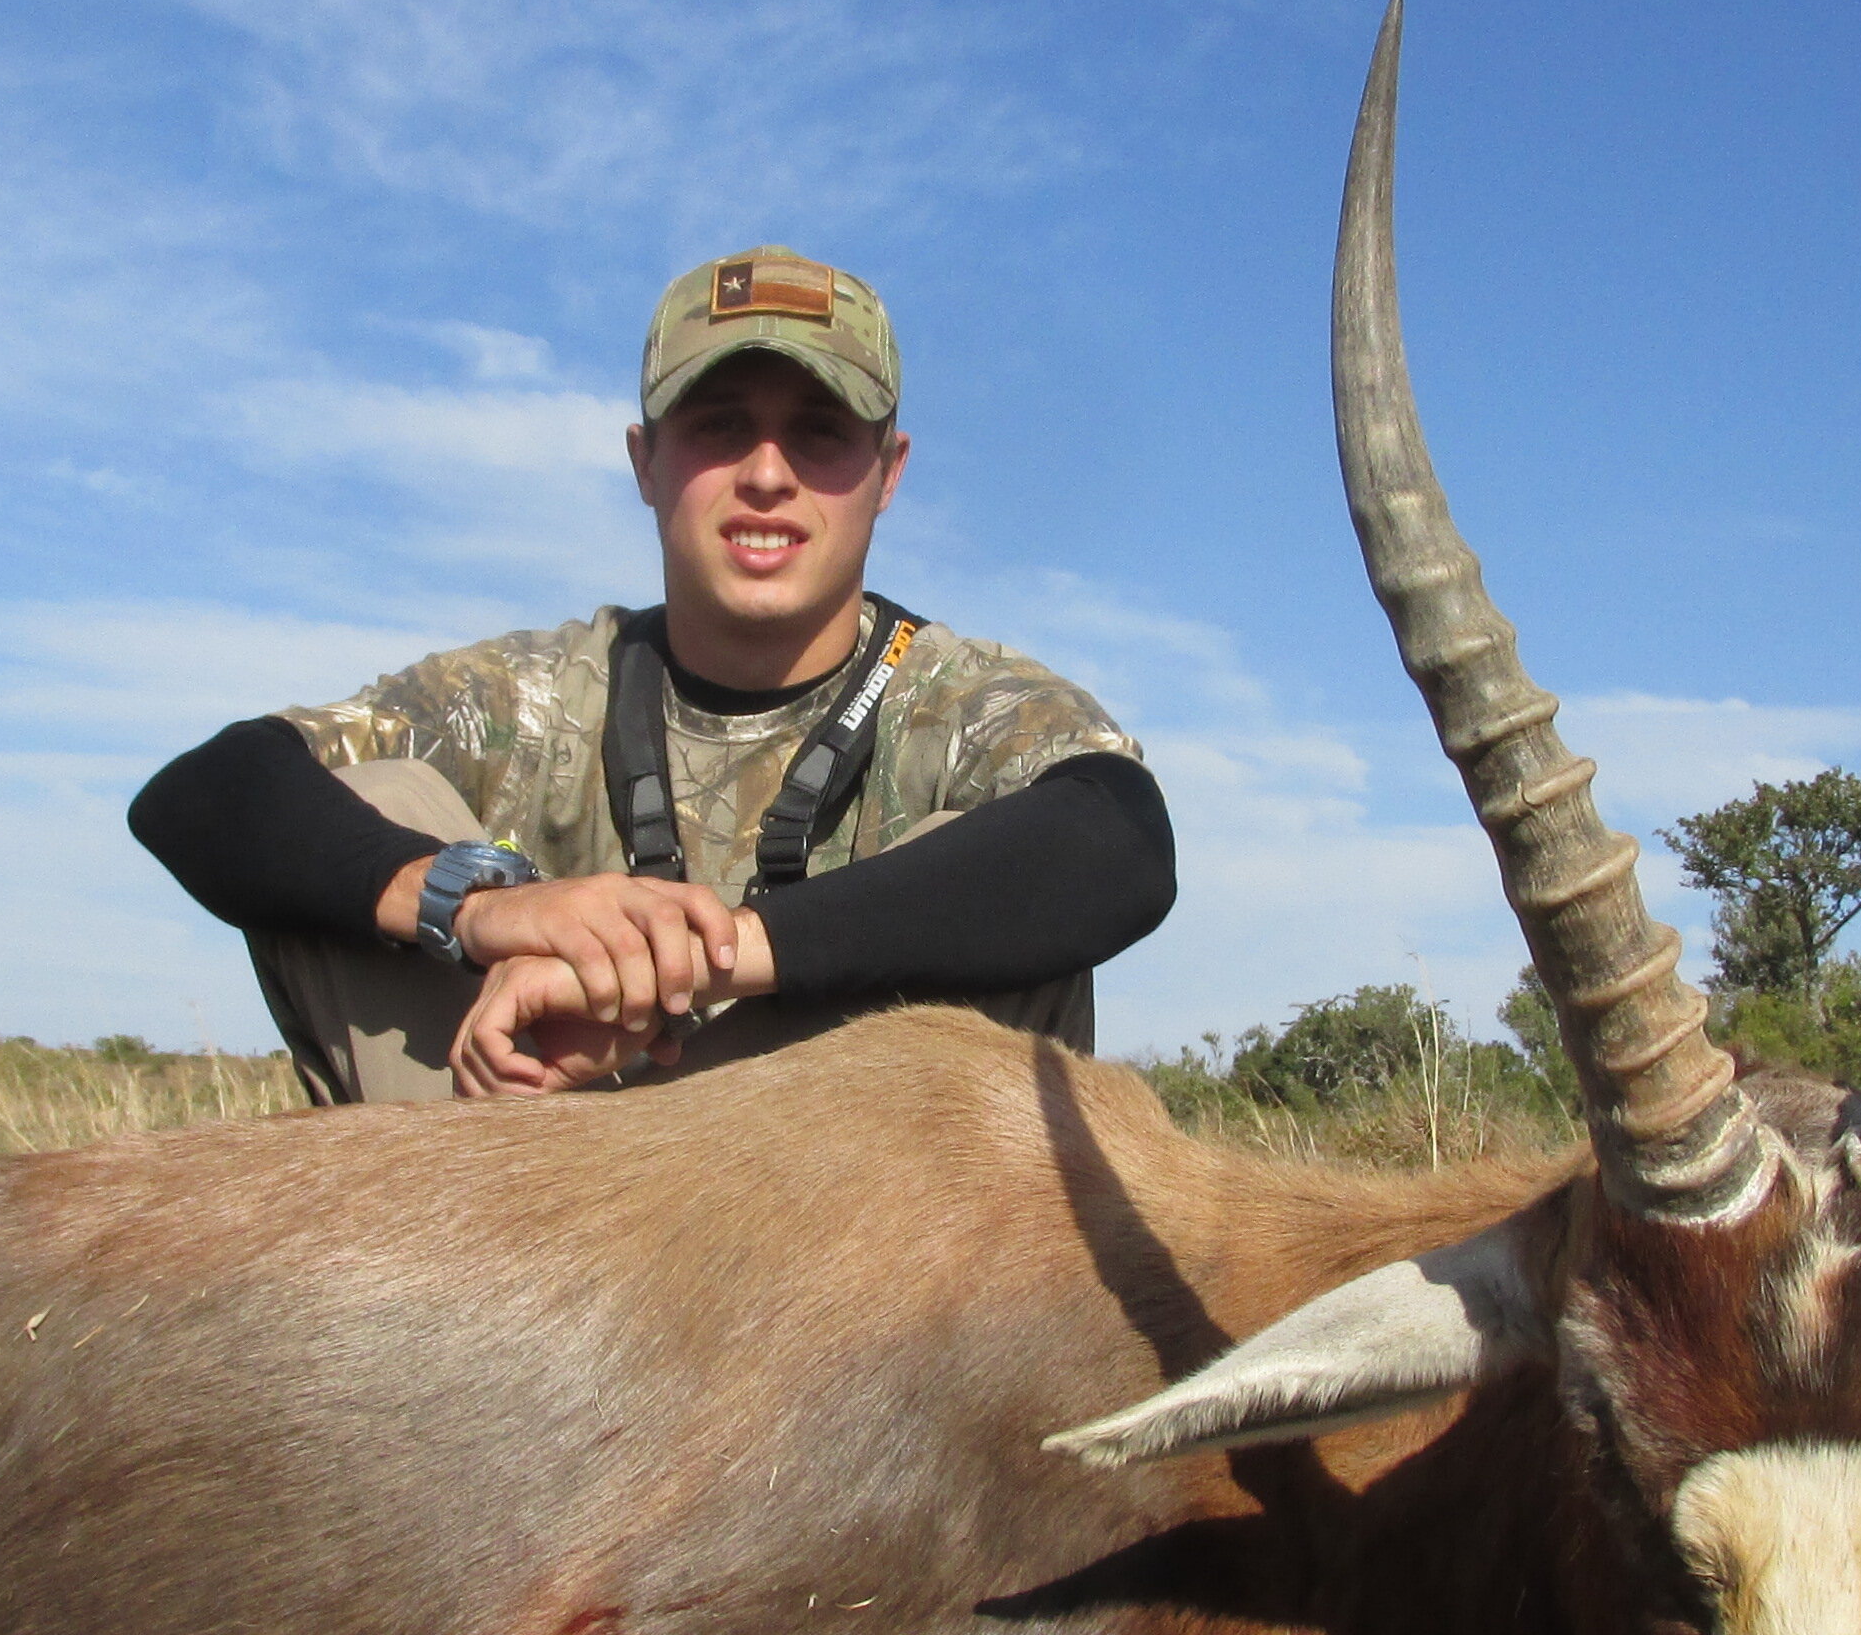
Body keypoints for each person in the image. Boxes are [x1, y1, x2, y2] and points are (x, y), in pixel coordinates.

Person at [130, 249, 1175, 1103]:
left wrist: (677, 972)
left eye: (818, 434)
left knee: (1005, 868)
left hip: (848, 1241)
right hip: (535, 1202)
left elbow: (1116, 841)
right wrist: (480, 908)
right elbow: (209, 790)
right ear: (645, 462)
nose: (768, 474)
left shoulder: (957, 699)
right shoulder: (533, 694)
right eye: (721, 427)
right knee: (375, 805)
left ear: (888, 473)